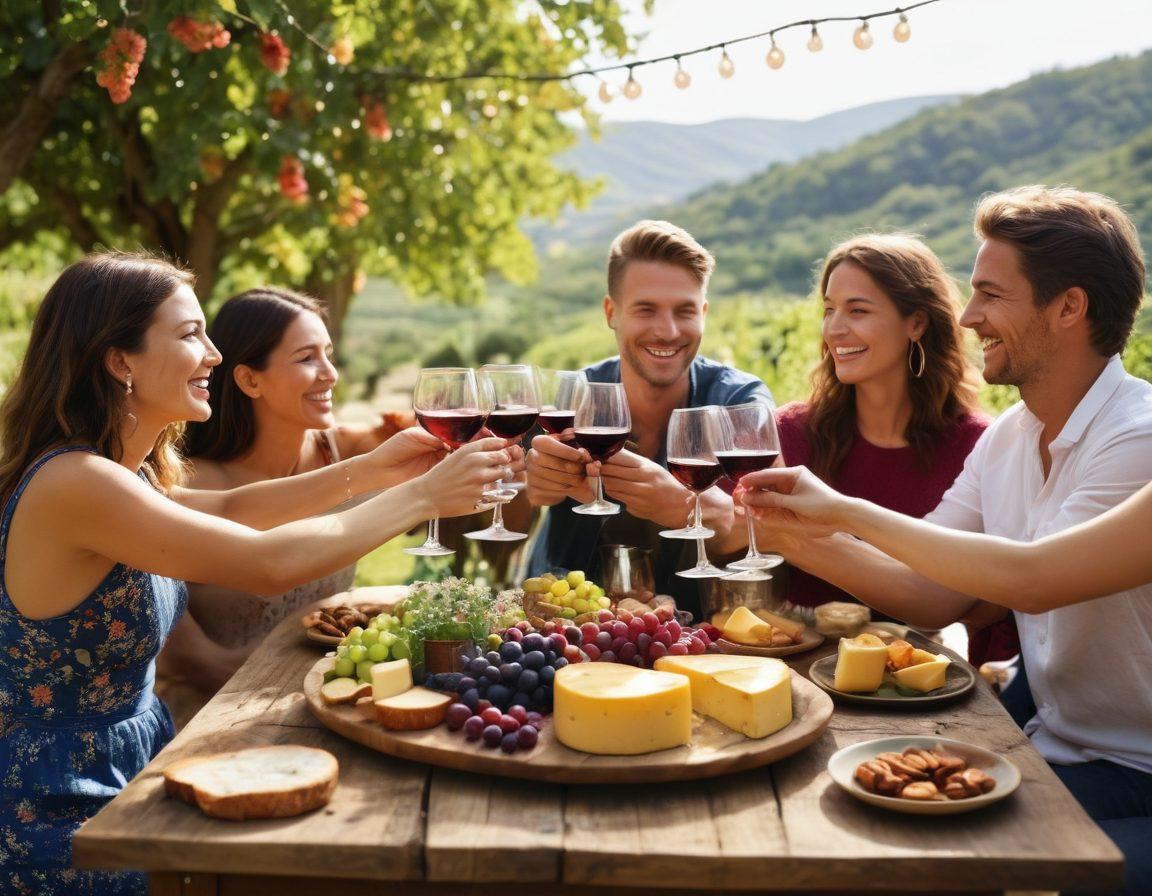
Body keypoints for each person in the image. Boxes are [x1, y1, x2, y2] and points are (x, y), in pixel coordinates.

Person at [0, 252, 518, 895]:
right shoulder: (75, 483)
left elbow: (235, 508)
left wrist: (384, 467)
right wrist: (423, 498)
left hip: (132, 768)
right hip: (56, 804)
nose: (214, 354)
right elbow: (265, 563)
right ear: (119, 361)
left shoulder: (117, 476)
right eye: (190, 334)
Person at [741, 185, 1152, 896]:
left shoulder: (1136, 437)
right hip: (1058, 741)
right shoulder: (1011, 441)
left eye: (991, 295)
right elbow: (929, 593)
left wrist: (842, 510)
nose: (967, 317)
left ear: (1069, 307)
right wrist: (780, 529)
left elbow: (1029, 578)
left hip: (1137, 771)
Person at [156, 287, 409, 726]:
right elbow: (190, 659)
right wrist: (298, 692)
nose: (330, 374)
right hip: (214, 714)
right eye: (307, 358)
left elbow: (433, 448)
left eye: (329, 354)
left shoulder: (346, 449)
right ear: (250, 379)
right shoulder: (187, 485)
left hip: (332, 699)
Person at [524, 220, 772, 620]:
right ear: (611, 312)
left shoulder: (739, 402)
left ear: (704, 314)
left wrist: (686, 505)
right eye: (646, 309)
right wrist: (533, 485)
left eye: (685, 311)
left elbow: (772, 532)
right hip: (565, 624)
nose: (667, 331)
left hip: (703, 632)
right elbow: (513, 507)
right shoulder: (570, 399)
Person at [775, 234, 993, 646]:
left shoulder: (977, 446)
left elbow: (987, 605)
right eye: (828, 310)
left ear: (917, 322)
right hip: (798, 666)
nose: (835, 329)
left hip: (920, 681)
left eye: (857, 310)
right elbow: (726, 532)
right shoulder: (790, 433)